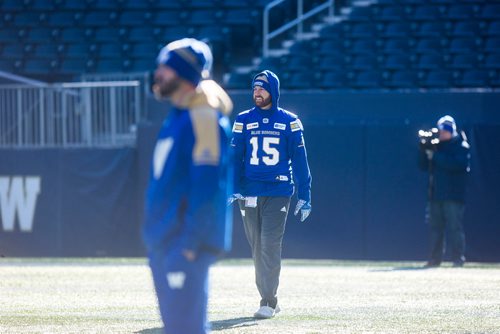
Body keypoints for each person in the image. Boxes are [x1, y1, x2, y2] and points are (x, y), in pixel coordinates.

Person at [143, 38, 233, 334]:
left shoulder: (202, 116)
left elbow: (207, 187)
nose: (158, 74)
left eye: (165, 68)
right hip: (166, 240)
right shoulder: (178, 116)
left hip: (182, 243)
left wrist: (189, 245)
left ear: (182, 72)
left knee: (186, 329)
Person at [229, 70, 312, 319]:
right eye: (254, 88)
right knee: (257, 248)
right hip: (249, 192)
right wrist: (232, 187)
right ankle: (270, 299)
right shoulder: (243, 119)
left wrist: (305, 193)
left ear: (273, 92)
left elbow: (300, 160)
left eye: (262, 88)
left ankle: (268, 300)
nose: (257, 92)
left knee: (269, 245)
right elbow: (234, 158)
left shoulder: (290, 121)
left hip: (278, 191)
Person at [418, 115, 470, 268]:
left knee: (455, 227)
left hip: (453, 195)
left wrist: (436, 156)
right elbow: (422, 166)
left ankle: (457, 258)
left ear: (450, 131)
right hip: (436, 194)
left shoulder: (461, 145)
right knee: (435, 228)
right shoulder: (437, 146)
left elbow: (458, 164)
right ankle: (435, 259)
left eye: (443, 131)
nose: (440, 134)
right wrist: (423, 150)